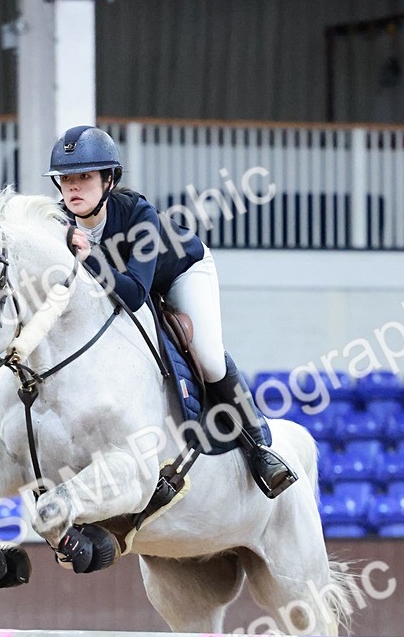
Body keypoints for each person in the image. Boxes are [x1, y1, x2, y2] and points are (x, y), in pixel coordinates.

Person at [45, 126, 296, 498]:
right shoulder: (57, 224)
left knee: (208, 358)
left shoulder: (138, 215)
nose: (74, 187)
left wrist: (89, 256)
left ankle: (259, 448)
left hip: (180, 271)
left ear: (109, 180)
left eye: (85, 176)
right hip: (124, 281)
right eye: (66, 179)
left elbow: (132, 294)